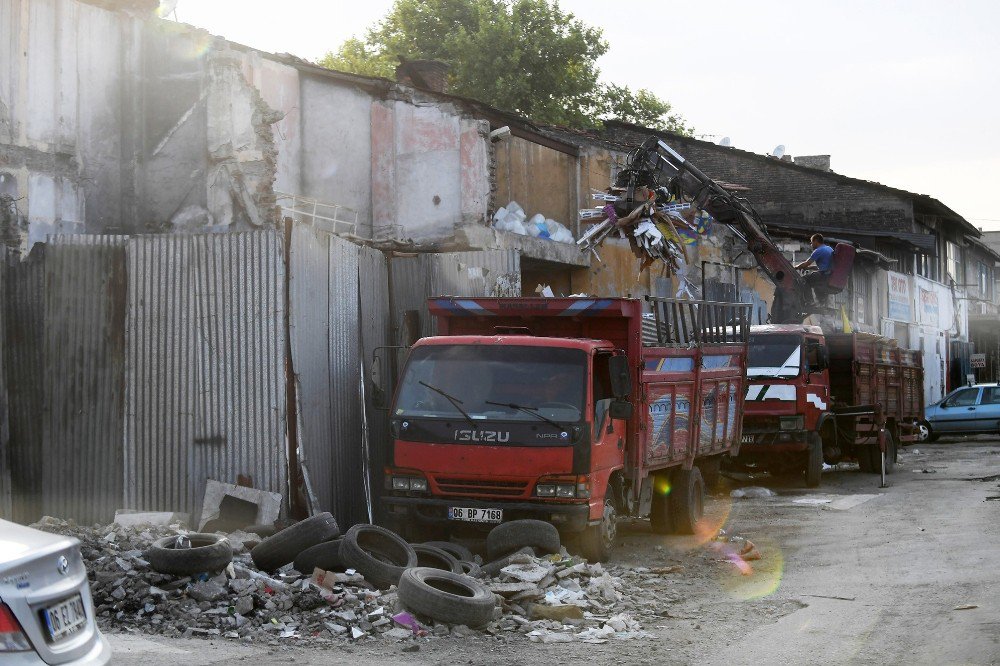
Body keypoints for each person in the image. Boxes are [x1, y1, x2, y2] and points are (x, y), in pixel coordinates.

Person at [795, 233, 834, 302]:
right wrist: (809, 268)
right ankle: (822, 302)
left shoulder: (818, 250)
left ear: (816, 241)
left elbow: (806, 263)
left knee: (803, 280)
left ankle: (810, 301)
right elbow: (823, 266)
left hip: (823, 275)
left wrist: (796, 267)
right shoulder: (829, 249)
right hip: (829, 275)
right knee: (814, 281)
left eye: (811, 242)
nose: (811, 244)